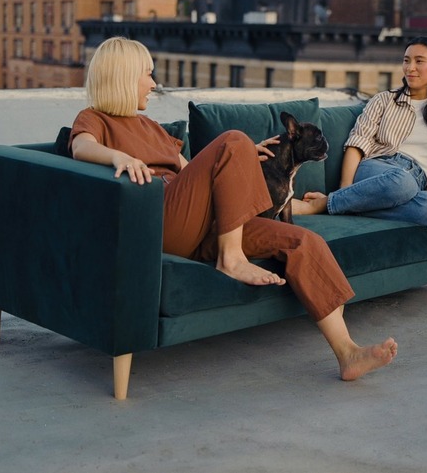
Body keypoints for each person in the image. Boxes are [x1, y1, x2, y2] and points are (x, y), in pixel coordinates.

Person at [69, 36, 397, 381]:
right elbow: (81, 148)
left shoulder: (150, 127)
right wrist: (118, 155)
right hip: (159, 219)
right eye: (147, 75)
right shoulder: (94, 119)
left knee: (303, 241)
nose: (154, 84)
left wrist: (239, 158)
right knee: (234, 139)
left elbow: (190, 170)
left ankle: (347, 353)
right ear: (121, 76)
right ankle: (231, 259)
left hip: (202, 222)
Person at [294, 36, 427, 227]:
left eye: (419, 61)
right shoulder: (384, 100)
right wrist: (344, 188)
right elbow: (356, 144)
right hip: (377, 171)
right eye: (406, 61)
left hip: (418, 182)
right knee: (402, 181)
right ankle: (322, 204)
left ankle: (348, 206)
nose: (410, 68)